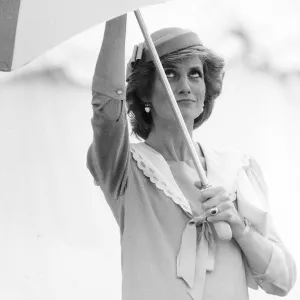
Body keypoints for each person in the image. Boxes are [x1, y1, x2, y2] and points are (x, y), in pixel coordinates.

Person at [87, 14, 296, 300]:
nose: (185, 85)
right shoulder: (125, 167)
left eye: (194, 74)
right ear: (145, 91)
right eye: (169, 73)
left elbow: (282, 281)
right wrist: (116, 11)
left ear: (206, 89)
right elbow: (106, 104)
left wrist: (238, 226)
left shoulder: (235, 169)